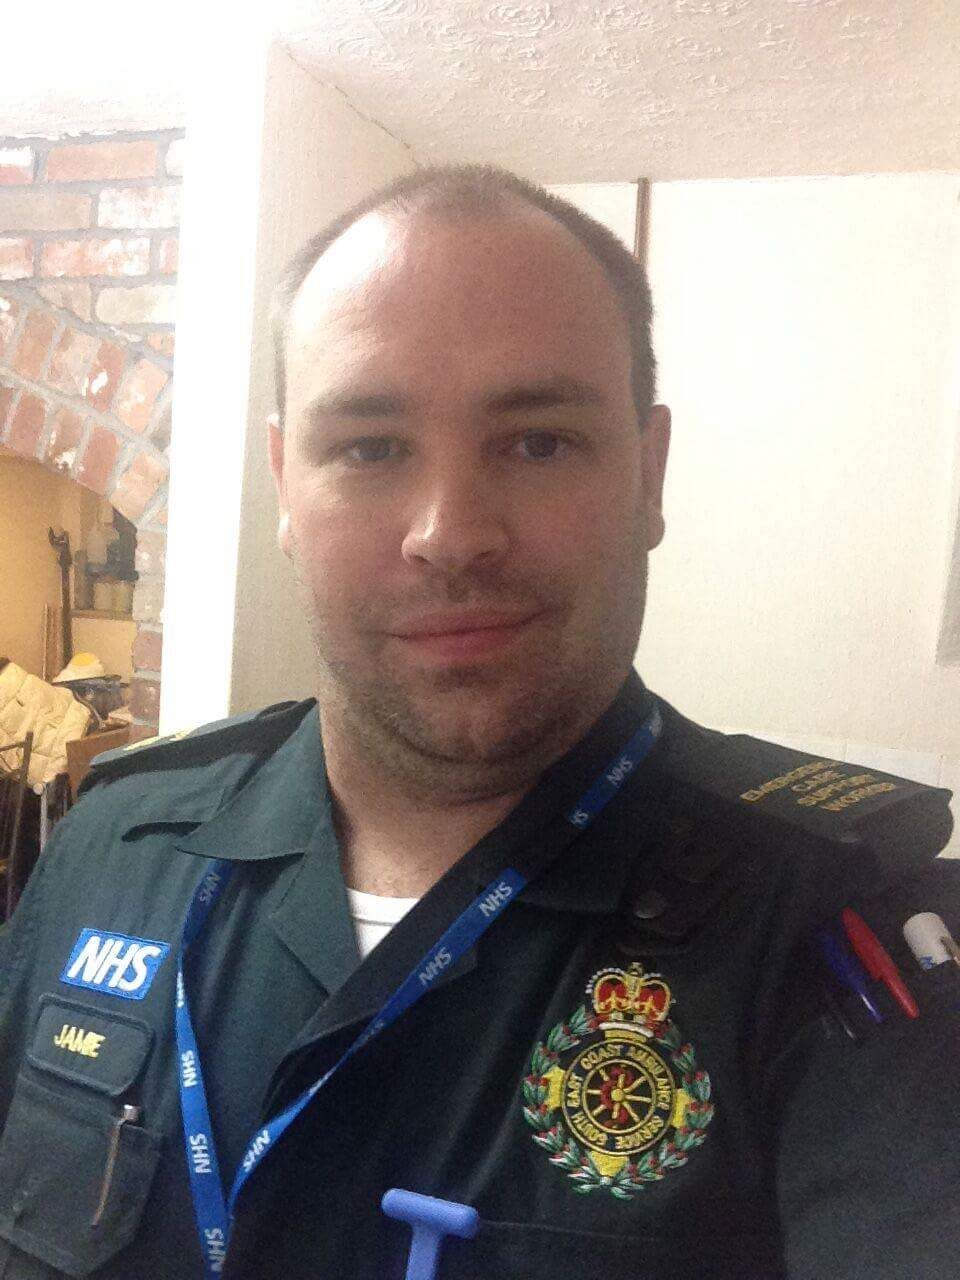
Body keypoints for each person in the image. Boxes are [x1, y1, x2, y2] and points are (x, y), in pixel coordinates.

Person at [0, 165, 957, 1280]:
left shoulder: (846, 934)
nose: (450, 536)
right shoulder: (114, 844)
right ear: (284, 483)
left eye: (539, 440)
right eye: (370, 447)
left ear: (649, 475)